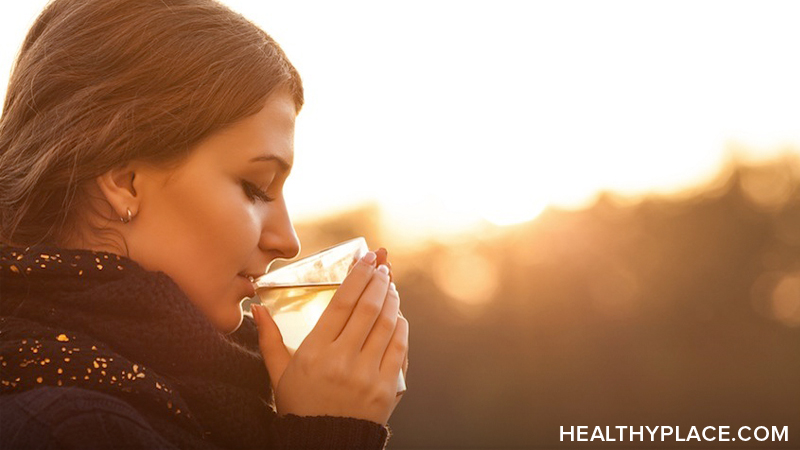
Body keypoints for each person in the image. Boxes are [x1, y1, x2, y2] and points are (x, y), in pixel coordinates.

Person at [0, 0, 409, 448]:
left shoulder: (194, 400)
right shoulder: (71, 431)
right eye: (255, 187)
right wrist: (330, 433)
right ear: (126, 182)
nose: (288, 241)